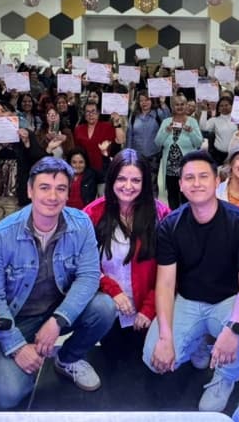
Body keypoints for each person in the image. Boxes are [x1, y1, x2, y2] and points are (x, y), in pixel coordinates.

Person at [0, 157, 117, 409]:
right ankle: (28, 356)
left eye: (60, 189)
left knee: (105, 307)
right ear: (30, 190)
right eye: (44, 188)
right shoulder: (1, 236)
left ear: (68, 193)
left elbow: (88, 276)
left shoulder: (81, 224)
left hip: (57, 311)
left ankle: (68, 359)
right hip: (16, 320)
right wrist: (17, 346)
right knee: (7, 395)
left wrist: (58, 320)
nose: (52, 196)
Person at [143, 151, 239, 412]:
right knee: (153, 359)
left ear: (216, 179)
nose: (196, 183)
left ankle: (225, 378)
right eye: (189, 178)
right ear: (181, 185)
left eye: (203, 176)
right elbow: (164, 285)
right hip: (187, 301)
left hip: (228, 301)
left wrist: (234, 328)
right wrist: (165, 337)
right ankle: (199, 342)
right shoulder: (171, 225)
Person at [84, 150, 172, 361]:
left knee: (149, 363)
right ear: (111, 179)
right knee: (113, 361)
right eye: (121, 178)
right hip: (110, 308)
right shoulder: (92, 214)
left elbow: (170, 272)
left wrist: (150, 308)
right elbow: (83, 266)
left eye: (136, 180)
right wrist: (112, 290)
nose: (128, 186)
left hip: (149, 309)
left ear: (145, 183)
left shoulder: (161, 215)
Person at [155, 95, 204, 209]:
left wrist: (191, 132)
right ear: (172, 106)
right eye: (177, 104)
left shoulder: (192, 122)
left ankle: (187, 219)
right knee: (172, 195)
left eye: (182, 104)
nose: (180, 107)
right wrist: (166, 131)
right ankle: (174, 219)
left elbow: (198, 143)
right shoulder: (166, 121)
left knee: (187, 195)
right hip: (170, 167)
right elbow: (158, 142)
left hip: (187, 168)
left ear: (186, 106)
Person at [73, 101, 120, 173]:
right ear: (84, 115)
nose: (90, 114)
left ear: (98, 113)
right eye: (87, 112)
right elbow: (76, 150)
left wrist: (117, 124)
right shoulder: (78, 129)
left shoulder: (107, 127)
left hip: (103, 169)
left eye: (93, 111)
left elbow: (120, 140)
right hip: (84, 170)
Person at [199, 97, 237, 165]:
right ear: (218, 109)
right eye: (221, 106)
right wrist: (204, 111)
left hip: (235, 154)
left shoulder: (238, 119)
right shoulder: (215, 120)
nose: (224, 107)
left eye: (226, 105)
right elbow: (203, 127)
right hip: (218, 155)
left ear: (232, 106)